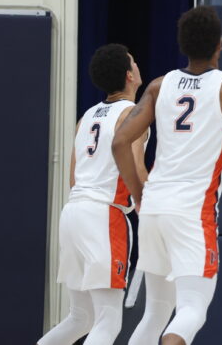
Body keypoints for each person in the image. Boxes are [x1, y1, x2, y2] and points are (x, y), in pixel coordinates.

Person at [113, 6, 222, 345]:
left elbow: (121, 141)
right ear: (220, 44)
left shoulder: (158, 86)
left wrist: (138, 194)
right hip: (192, 212)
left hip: (154, 209)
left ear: (182, 45)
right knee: (193, 309)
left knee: (156, 313)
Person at [38, 44, 148, 345]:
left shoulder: (85, 117)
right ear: (130, 75)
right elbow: (137, 169)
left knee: (80, 317)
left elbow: (74, 178)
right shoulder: (132, 114)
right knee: (108, 321)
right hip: (104, 214)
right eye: (134, 62)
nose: (138, 66)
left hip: (73, 213)